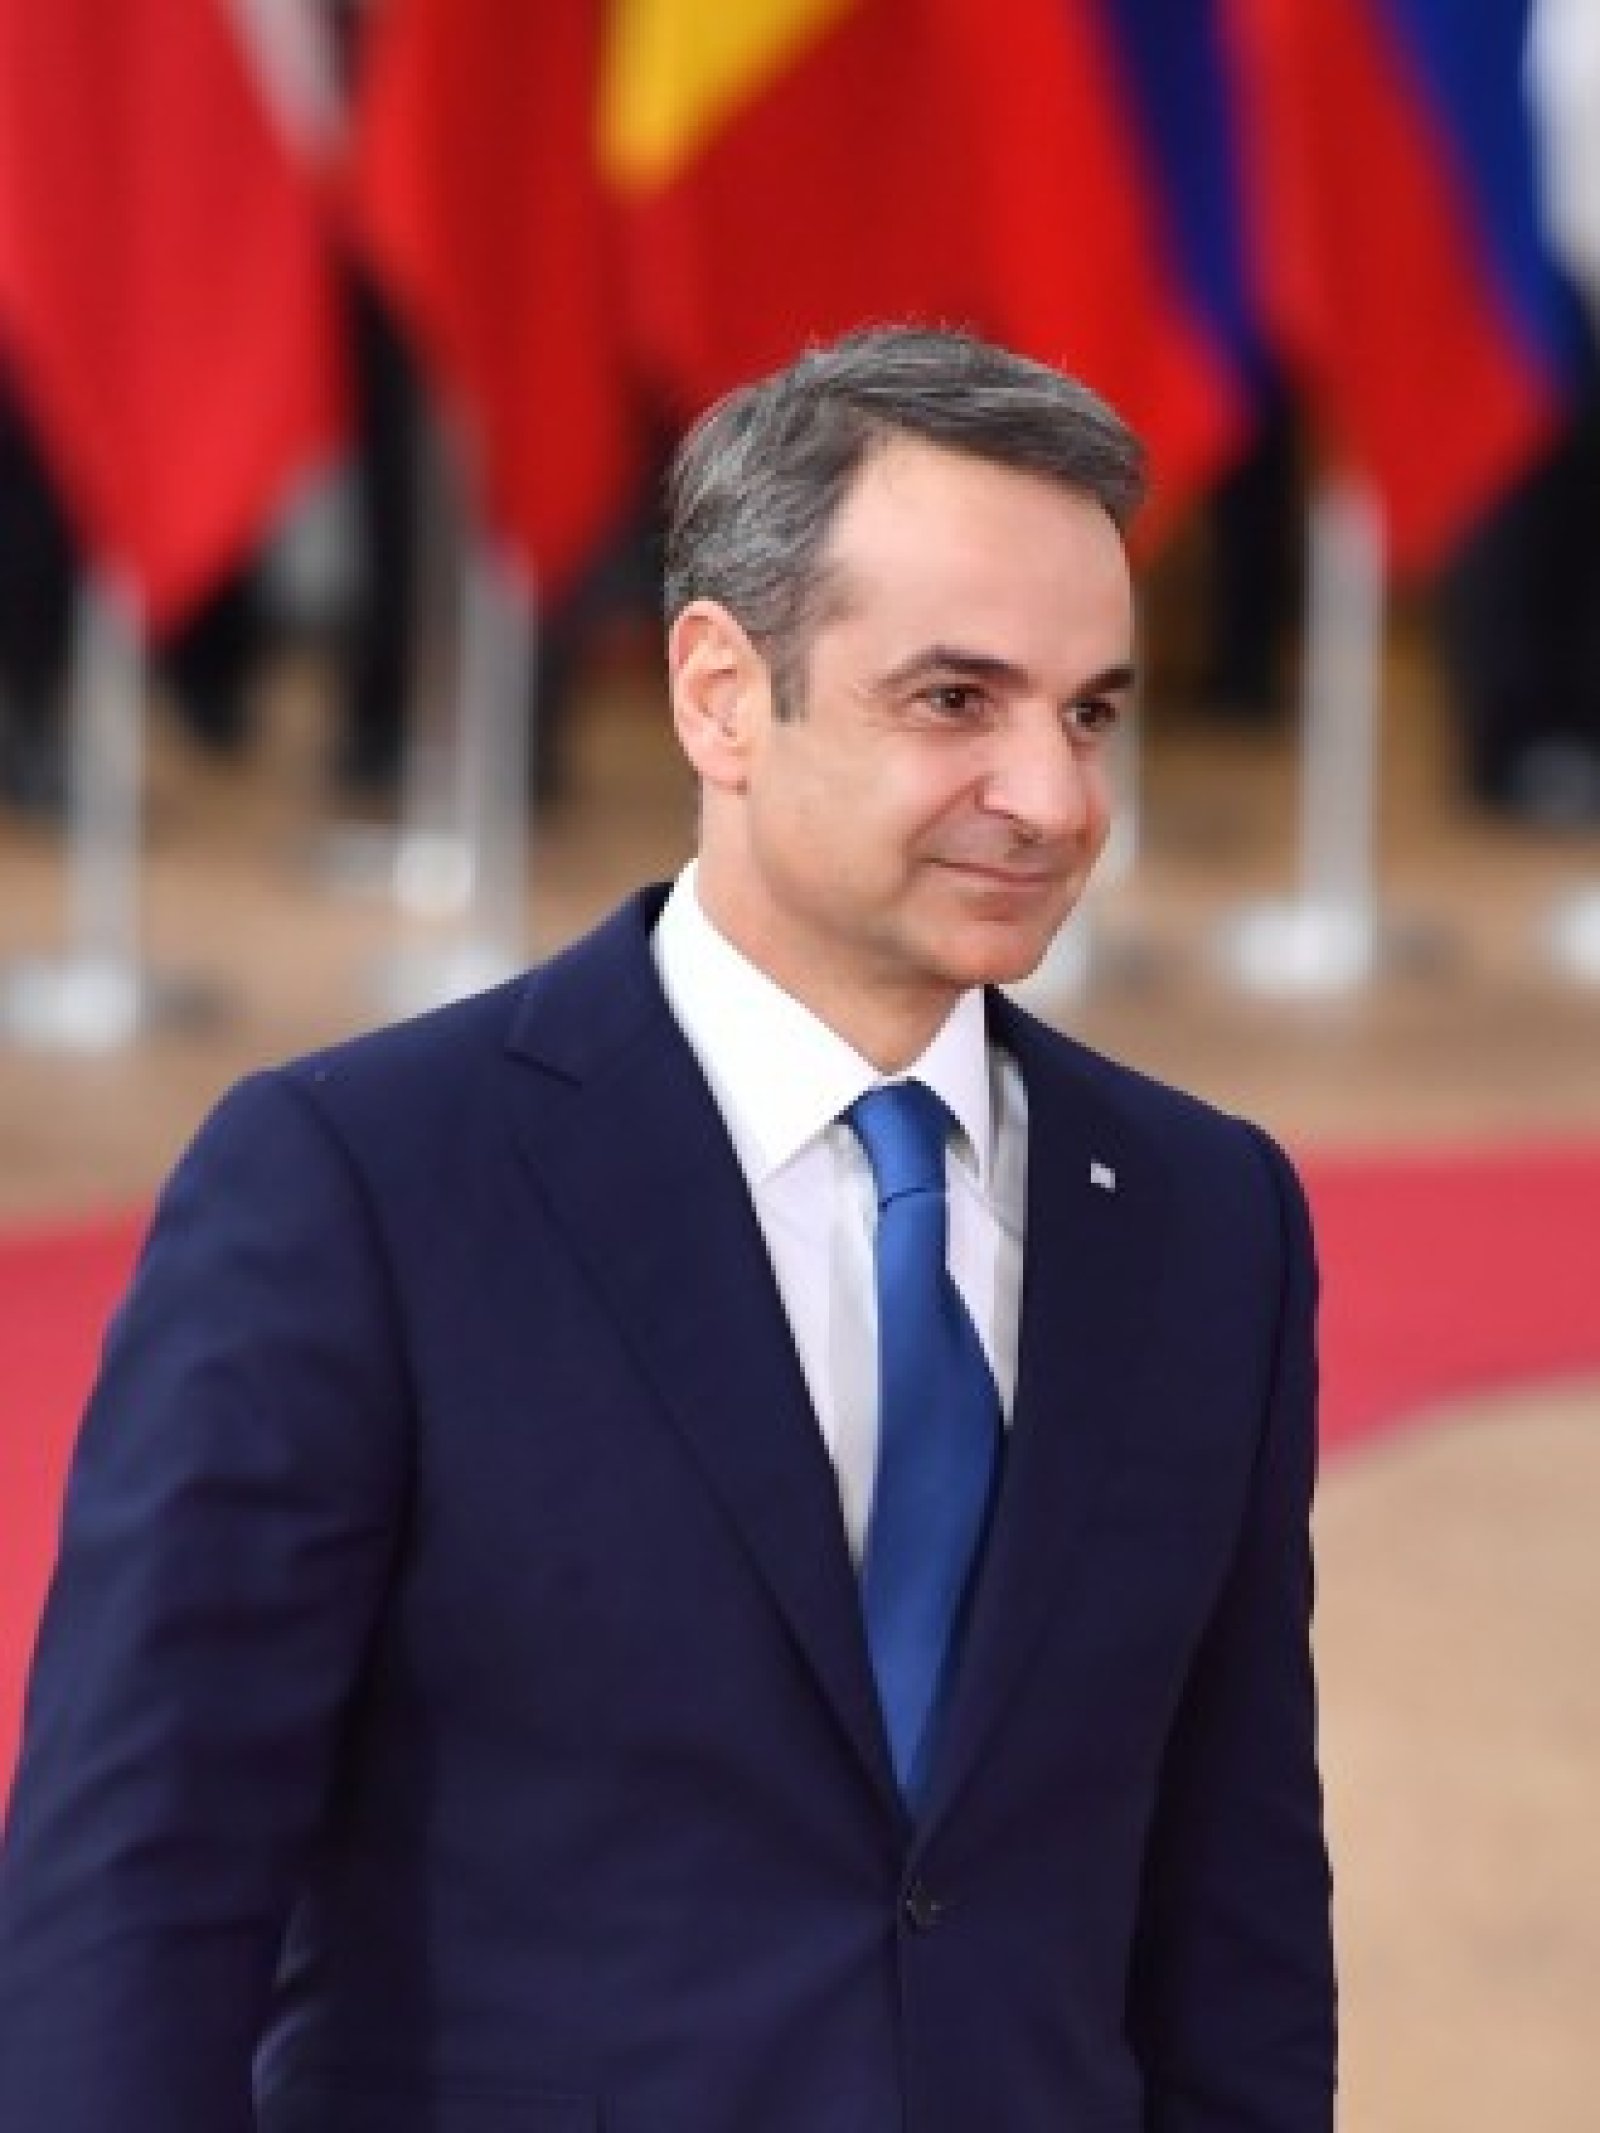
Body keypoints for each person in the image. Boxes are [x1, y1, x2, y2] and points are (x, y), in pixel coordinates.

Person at [0, 325, 1335, 2131]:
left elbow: (1236, 1931)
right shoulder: (358, 1185)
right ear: (720, 693)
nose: (1055, 797)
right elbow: (138, 1896)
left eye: (1090, 709)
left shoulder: (1208, 1218)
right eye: (958, 700)